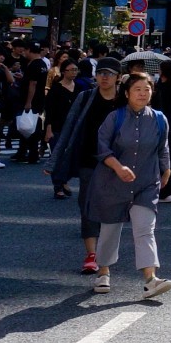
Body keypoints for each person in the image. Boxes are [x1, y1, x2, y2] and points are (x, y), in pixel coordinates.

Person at [88, 72, 171, 300]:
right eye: (137, 89)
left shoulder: (158, 118)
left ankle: (150, 279)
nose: (143, 93)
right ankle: (103, 272)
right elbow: (101, 147)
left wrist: (166, 170)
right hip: (112, 182)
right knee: (110, 229)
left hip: (146, 182)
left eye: (146, 89)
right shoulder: (114, 118)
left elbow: (163, 147)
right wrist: (118, 167)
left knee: (145, 229)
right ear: (126, 93)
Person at [47, 59, 126, 274]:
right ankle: (92, 254)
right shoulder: (86, 98)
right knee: (88, 205)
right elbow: (69, 129)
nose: (104, 77)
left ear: (118, 77)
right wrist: (54, 161)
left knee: (111, 208)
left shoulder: (124, 100)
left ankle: (106, 250)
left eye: (110, 73)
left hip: (119, 163)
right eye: (101, 73)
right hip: (89, 160)